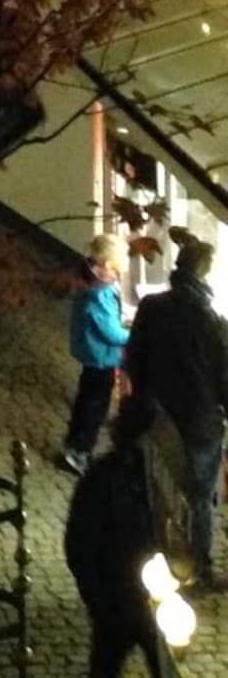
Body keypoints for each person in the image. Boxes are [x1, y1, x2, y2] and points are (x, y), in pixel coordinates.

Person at [123, 232, 228, 582]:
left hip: (156, 413)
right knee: (200, 495)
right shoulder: (213, 323)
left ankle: (155, 560)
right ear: (204, 274)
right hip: (200, 421)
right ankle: (201, 566)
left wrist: (143, 397)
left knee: (155, 485)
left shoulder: (152, 308)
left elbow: (134, 358)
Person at [65, 427, 161, 677]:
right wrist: (95, 597)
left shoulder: (153, 480)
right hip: (117, 597)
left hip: (147, 597)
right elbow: (80, 544)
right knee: (108, 662)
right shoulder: (104, 480)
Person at [61, 235, 130, 474]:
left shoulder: (90, 282)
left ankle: (72, 444)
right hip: (100, 357)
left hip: (93, 355)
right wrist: (131, 335)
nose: (118, 275)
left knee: (85, 401)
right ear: (107, 265)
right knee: (94, 408)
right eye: (117, 270)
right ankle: (80, 451)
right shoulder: (99, 293)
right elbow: (110, 331)